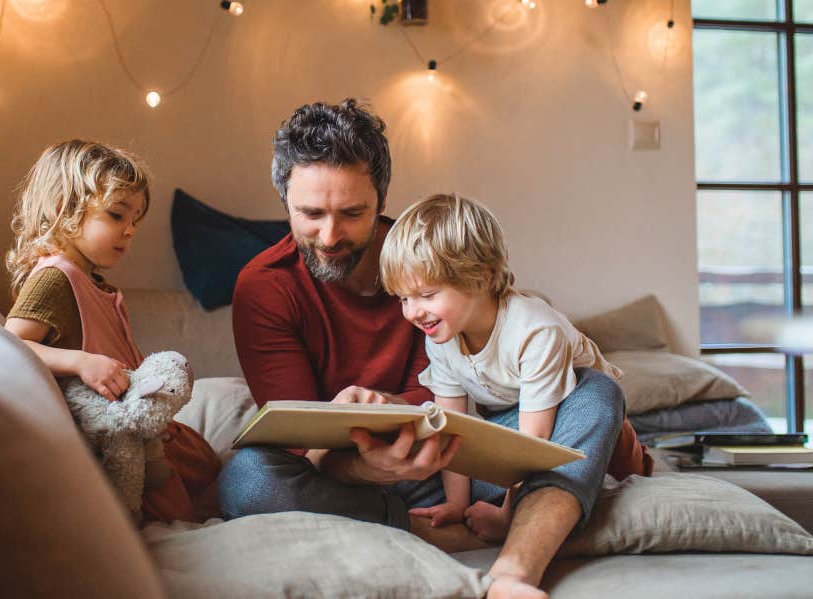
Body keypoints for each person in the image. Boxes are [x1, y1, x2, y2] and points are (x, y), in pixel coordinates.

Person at [219, 100, 649, 599]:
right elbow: (301, 450)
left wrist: (401, 418)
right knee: (246, 479)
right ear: (285, 202)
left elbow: (491, 407)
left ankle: (516, 564)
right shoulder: (264, 288)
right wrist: (368, 463)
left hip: (458, 456)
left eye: (352, 213)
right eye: (310, 214)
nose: (330, 236)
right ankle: (437, 530)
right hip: (346, 476)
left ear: (380, 200)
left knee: (594, 391)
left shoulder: (436, 258)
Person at [381, 193, 639, 594]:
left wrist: (506, 515)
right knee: (420, 461)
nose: (412, 312)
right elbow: (455, 427)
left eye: (427, 295)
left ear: (481, 278)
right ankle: (549, 495)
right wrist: (457, 505)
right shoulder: (441, 337)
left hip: (570, 411)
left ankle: (625, 456)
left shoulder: (535, 331)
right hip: (510, 419)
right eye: (403, 298)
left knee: (601, 407)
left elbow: (531, 444)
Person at [4, 139, 220, 524]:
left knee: (204, 459)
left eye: (135, 219)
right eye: (117, 215)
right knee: (193, 486)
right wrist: (79, 361)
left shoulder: (89, 280)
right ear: (63, 210)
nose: (130, 230)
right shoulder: (56, 277)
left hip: (135, 420)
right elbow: (10, 344)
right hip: (112, 438)